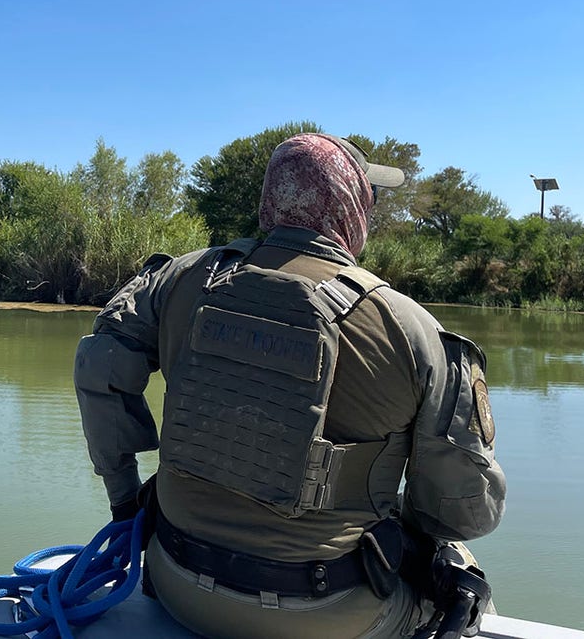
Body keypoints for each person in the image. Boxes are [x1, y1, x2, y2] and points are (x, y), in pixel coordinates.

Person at [73, 133, 506, 638]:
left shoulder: (178, 279)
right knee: (463, 571)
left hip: (177, 585)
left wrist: (126, 505)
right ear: (350, 206)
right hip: (329, 615)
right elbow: (464, 511)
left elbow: (97, 368)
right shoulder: (413, 330)